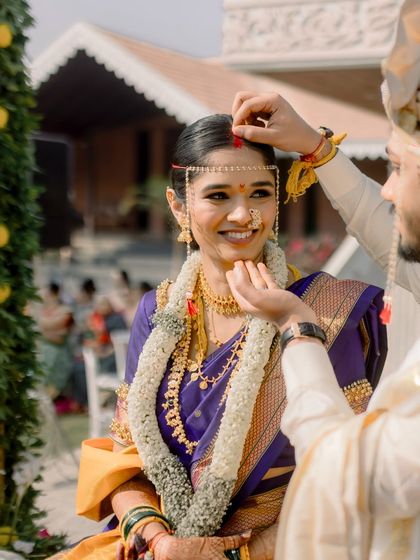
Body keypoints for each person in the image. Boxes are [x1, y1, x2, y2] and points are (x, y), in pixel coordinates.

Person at [59, 113, 386, 560]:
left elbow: (343, 480)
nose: (242, 215)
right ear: (178, 206)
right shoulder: (156, 311)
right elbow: (124, 458)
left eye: (260, 194)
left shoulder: (325, 314)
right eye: (218, 195)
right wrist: (159, 541)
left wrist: (230, 555)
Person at [228, 1, 420, 557]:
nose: (386, 189)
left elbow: (352, 474)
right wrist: (316, 147)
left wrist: (298, 328)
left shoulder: (338, 304)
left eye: (399, 167)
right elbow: (392, 241)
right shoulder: (158, 307)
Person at [37, 281, 74, 400]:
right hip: (43, 352)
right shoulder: (41, 312)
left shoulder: (66, 312)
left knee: (50, 362)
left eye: (47, 294)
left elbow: (60, 338)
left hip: (60, 353)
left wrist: (41, 332)